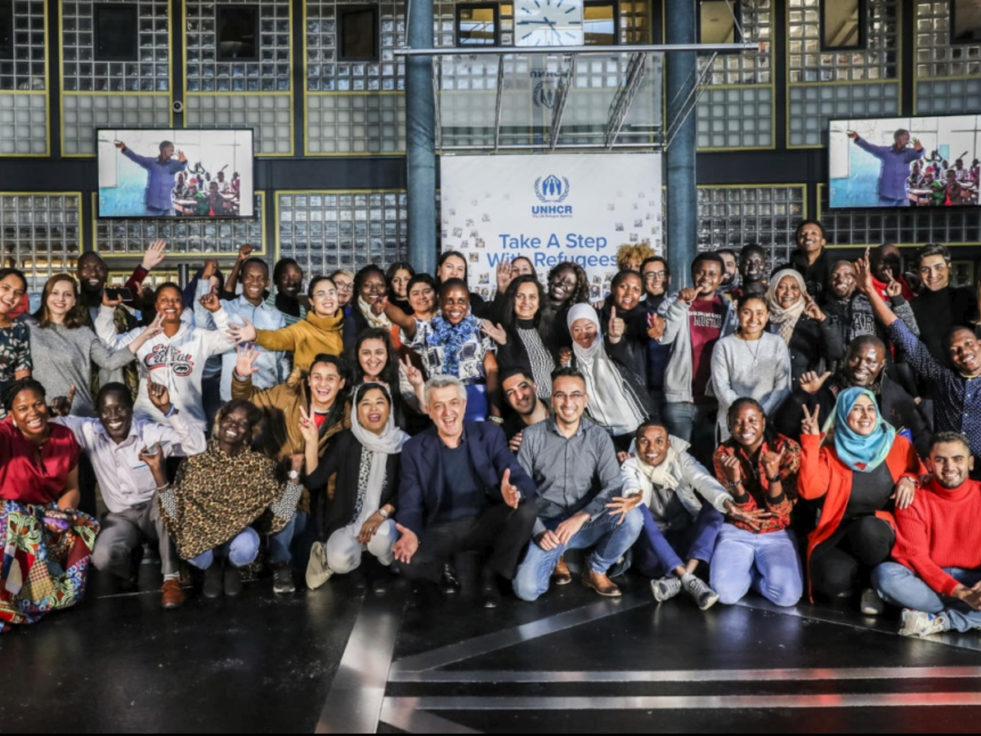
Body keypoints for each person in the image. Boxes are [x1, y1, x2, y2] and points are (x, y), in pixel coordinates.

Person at [52, 379, 206, 609]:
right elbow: (45, 426)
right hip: (121, 516)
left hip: (154, 509)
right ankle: (128, 569)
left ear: (131, 409)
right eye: (106, 410)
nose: (114, 416)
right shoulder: (88, 429)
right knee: (102, 558)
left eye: (120, 408)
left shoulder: (149, 432)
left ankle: (171, 579)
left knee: (167, 503)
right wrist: (55, 413)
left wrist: (168, 410)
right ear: (98, 413)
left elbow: (198, 446)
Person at [393, 376, 539, 608]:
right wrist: (409, 532)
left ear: (464, 405)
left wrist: (514, 492)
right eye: (438, 406)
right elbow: (410, 500)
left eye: (453, 403)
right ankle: (444, 567)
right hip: (442, 528)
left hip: (484, 521)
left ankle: (490, 574)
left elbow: (520, 477)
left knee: (527, 509)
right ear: (429, 411)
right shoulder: (413, 448)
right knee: (406, 561)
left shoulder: (488, 435)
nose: (447, 412)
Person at [513, 368, 644, 602]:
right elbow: (521, 491)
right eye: (561, 395)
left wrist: (582, 515)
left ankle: (596, 569)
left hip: (586, 521)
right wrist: (538, 530)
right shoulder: (531, 436)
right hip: (549, 527)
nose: (568, 402)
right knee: (527, 590)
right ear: (552, 399)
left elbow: (613, 486)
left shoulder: (599, 437)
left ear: (585, 400)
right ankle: (556, 556)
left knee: (633, 517)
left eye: (575, 395)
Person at [156, 399, 306, 598]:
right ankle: (212, 568)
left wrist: (295, 472)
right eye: (230, 419)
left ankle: (232, 567)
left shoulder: (260, 467)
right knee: (189, 544)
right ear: (220, 421)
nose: (234, 425)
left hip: (238, 538)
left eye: (243, 423)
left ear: (250, 432)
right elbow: (174, 512)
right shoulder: (195, 459)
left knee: (249, 542)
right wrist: (157, 471)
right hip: (201, 541)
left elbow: (282, 515)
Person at [798, 388, 923, 612]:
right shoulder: (831, 452)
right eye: (856, 409)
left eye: (870, 409)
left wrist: (909, 479)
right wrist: (810, 441)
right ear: (844, 415)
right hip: (841, 529)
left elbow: (920, 472)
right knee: (829, 579)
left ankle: (872, 586)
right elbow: (809, 490)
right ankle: (862, 581)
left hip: (879, 530)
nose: (865, 415)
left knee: (867, 530)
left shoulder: (897, 444)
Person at [855, 255, 981, 463]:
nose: (964, 352)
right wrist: (869, 290)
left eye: (968, 344)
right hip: (949, 471)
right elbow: (900, 332)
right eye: (955, 350)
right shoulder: (943, 378)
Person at [0, 378, 99, 631]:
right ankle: (6, 607)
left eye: (38, 404)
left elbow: (72, 488)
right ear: (11, 414)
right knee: (20, 522)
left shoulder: (64, 438)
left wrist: (65, 513)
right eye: (23, 409)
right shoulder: (4, 434)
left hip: (46, 510)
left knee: (82, 527)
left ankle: (40, 600)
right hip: (8, 514)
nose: (33, 412)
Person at [232, 347, 350, 553]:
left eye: (330, 379)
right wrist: (242, 378)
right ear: (309, 380)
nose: (323, 384)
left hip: (319, 501)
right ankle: (279, 563)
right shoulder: (286, 396)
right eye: (317, 377)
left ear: (341, 383)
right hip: (281, 487)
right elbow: (247, 402)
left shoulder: (348, 418)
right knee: (287, 512)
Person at [301, 383, 409, 591]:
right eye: (366, 404)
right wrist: (311, 442)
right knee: (339, 560)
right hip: (347, 521)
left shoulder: (403, 443)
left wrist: (382, 513)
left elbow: (410, 489)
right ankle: (357, 565)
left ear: (390, 408)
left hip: (385, 521)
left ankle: (383, 564)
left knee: (383, 537)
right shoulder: (346, 440)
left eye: (380, 402)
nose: (374, 409)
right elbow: (314, 481)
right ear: (357, 412)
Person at [872, 432, 981, 637]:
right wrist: (962, 594)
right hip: (927, 578)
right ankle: (967, 614)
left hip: (973, 579)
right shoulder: (913, 498)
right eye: (941, 460)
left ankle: (940, 620)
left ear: (971, 463)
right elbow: (917, 559)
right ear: (929, 464)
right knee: (885, 575)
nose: (949, 467)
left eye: (958, 459)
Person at [616, 420, 729, 610]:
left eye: (659, 441)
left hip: (687, 549)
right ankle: (688, 578)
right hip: (654, 555)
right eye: (644, 441)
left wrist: (727, 502)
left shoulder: (680, 459)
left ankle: (681, 578)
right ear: (636, 444)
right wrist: (633, 496)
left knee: (717, 504)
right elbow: (629, 483)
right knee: (637, 507)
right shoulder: (630, 464)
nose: (652, 447)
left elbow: (702, 479)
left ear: (668, 444)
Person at [95, 282, 235, 432]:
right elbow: (109, 343)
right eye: (164, 300)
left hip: (189, 422)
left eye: (176, 300)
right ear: (156, 305)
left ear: (182, 305)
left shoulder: (199, 336)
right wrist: (107, 309)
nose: (171, 304)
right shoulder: (143, 334)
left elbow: (231, 340)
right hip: (147, 422)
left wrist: (217, 311)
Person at [774, 335, 932, 457]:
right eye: (856, 358)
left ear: (882, 364)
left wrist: (910, 476)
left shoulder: (894, 395)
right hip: (828, 469)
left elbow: (920, 437)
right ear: (846, 357)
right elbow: (784, 428)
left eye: (871, 362)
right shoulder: (824, 387)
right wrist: (802, 395)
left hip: (876, 477)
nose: (861, 366)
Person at [711, 399, 803, 607]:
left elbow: (781, 512)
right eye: (738, 422)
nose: (745, 428)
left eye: (752, 420)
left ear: (763, 421)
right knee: (724, 594)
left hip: (776, 531)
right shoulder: (723, 454)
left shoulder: (787, 449)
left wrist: (773, 478)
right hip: (737, 530)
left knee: (787, 597)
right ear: (729, 425)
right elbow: (744, 512)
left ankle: (755, 581)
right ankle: (748, 571)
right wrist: (735, 482)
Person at [656, 253, 738, 463]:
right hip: (679, 398)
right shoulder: (673, 302)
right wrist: (682, 304)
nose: (705, 278)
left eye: (712, 273)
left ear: (721, 278)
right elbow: (664, 337)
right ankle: (676, 498)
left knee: (709, 460)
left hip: (714, 400)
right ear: (692, 274)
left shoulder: (729, 309)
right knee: (676, 460)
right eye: (700, 272)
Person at [398, 279, 499, 422]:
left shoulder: (480, 327)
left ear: (468, 301)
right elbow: (405, 322)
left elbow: (491, 370)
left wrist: (496, 414)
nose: (455, 306)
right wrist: (387, 305)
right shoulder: (429, 329)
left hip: (475, 397)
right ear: (440, 301)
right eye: (449, 301)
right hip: (441, 399)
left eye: (461, 300)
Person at [194, 257, 288, 401]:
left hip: (268, 395)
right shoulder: (225, 307)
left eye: (260, 278)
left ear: (267, 282)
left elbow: (281, 359)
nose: (255, 282)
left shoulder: (276, 315)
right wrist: (205, 279)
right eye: (249, 277)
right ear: (240, 279)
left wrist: (284, 390)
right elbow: (202, 324)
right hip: (232, 397)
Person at [562, 304, 653, 449]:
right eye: (576, 329)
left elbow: (617, 345)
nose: (583, 334)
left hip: (632, 427)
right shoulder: (570, 360)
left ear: (597, 325)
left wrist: (615, 335)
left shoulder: (607, 345)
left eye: (588, 327)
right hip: (602, 434)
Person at [228, 275, 344, 378]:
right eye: (321, 294)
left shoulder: (349, 326)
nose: (328, 298)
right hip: (307, 396)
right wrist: (256, 334)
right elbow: (277, 338)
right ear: (311, 301)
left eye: (331, 292)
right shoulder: (302, 329)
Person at [710, 294, 791, 442]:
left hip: (769, 421)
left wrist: (761, 414)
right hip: (733, 422)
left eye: (760, 313)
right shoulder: (724, 346)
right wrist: (745, 416)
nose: (753, 319)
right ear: (738, 313)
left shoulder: (777, 343)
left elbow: (783, 385)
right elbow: (721, 387)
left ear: (767, 316)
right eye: (747, 312)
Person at [765, 269, 842, 382]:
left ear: (802, 291)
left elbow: (836, 352)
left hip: (801, 393)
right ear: (773, 290)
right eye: (781, 287)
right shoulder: (764, 320)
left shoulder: (812, 320)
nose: (788, 292)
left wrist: (823, 320)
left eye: (794, 288)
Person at [489, 275, 556, 399]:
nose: (526, 302)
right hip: (524, 409)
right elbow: (508, 374)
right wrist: (504, 344)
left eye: (532, 297)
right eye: (520, 296)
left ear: (539, 302)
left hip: (552, 408)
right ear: (512, 300)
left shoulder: (549, 332)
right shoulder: (502, 331)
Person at [910, 243, 978, 361]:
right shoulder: (912, 307)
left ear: (949, 267)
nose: (933, 274)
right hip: (932, 375)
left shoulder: (968, 297)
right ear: (918, 273)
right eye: (925, 269)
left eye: (938, 267)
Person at [847, 128, 925, 207]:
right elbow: (870, 147)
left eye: (908, 135)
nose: (908, 137)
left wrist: (920, 149)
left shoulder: (909, 152)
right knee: (884, 218)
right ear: (898, 138)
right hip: (886, 197)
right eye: (906, 135)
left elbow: (919, 154)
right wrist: (857, 138)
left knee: (905, 219)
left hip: (902, 197)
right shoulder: (885, 152)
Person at [597, 270, 650, 380]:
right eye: (624, 286)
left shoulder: (645, 317)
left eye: (636, 289)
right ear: (613, 288)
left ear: (641, 294)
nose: (629, 292)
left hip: (634, 383)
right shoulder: (598, 313)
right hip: (602, 381)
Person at [115, 139, 189, 216]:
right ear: (164, 150)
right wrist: (124, 148)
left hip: (168, 207)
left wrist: (184, 160)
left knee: (169, 227)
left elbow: (183, 166)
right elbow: (136, 158)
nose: (173, 151)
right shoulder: (151, 163)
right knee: (151, 227)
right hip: (153, 208)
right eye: (171, 149)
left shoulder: (173, 164)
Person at [539, 262, 590, 358]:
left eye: (569, 283)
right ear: (551, 276)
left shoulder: (575, 316)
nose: (561, 283)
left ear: (575, 290)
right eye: (558, 276)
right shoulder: (533, 305)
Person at [640, 256, 672, 404]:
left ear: (669, 279)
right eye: (650, 275)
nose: (656, 279)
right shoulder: (635, 311)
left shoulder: (679, 309)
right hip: (644, 390)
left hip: (675, 392)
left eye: (661, 274)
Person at [0, 267, 32, 418]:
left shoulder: (19, 330)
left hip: (4, 414)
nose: (10, 296)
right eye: (5, 288)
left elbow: (22, 375)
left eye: (18, 293)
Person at [500, 367, 550, 452]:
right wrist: (511, 455)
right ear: (507, 401)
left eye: (523, 387)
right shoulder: (506, 434)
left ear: (534, 387)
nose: (519, 396)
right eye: (511, 392)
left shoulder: (562, 407)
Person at [788, 220, 832, 302]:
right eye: (803, 234)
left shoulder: (833, 268)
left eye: (814, 233)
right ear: (797, 242)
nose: (808, 237)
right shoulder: (788, 270)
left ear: (823, 241)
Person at [436, 250, 488, 318]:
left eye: (460, 269)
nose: (454, 273)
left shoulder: (475, 302)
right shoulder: (428, 300)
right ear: (439, 270)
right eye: (449, 266)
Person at [351, 265, 393, 334]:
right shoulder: (351, 318)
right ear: (359, 288)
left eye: (380, 285)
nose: (374, 289)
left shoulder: (392, 313)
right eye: (367, 285)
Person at [268, 258, 307, 327]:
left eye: (296, 277)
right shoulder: (266, 301)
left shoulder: (303, 312)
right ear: (276, 279)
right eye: (285, 277)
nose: (291, 282)